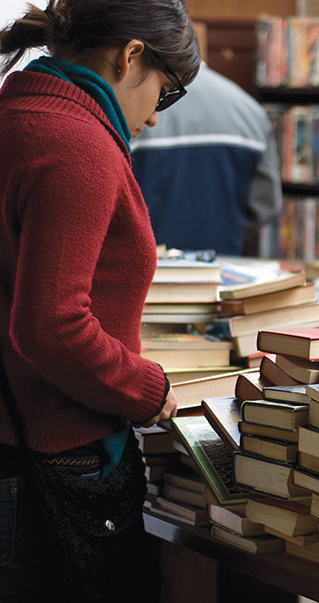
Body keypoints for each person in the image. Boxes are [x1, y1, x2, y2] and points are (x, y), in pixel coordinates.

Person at [0, 0, 200, 600]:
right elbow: (51, 325)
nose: (157, 118)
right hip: (47, 459)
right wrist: (147, 389)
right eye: (164, 93)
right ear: (131, 55)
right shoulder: (77, 143)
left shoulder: (17, 116)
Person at [130, 60, 283, 256]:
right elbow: (265, 206)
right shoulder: (250, 112)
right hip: (221, 267)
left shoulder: (135, 112)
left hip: (149, 269)